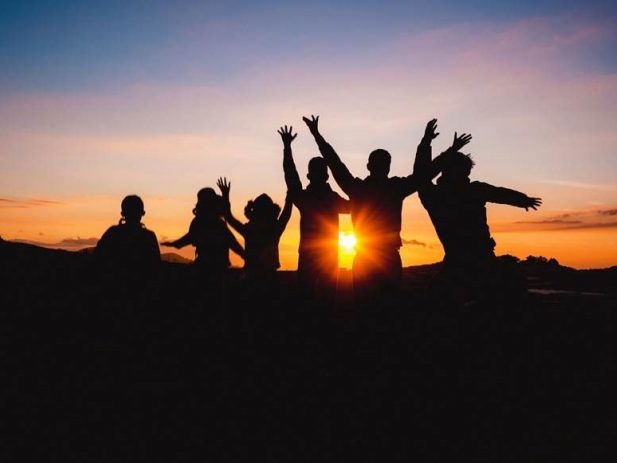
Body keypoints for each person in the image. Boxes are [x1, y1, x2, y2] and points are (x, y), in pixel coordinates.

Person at [302, 115, 470, 304]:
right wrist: (438, 146)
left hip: (366, 259)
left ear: (368, 166)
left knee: (367, 310)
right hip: (386, 259)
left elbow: (335, 163)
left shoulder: (357, 189)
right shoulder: (394, 188)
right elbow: (424, 175)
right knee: (388, 310)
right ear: (388, 167)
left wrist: (317, 135)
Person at [414, 130, 542, 304]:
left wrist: (432, 144)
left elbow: (421, 177)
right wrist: (522, 200)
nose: (466, 174)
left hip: (465, 262)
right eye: (464, 171)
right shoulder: (464, 191)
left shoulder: (435, 196)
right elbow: (499, 193)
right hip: (476, 263)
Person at [278, 124, 350, 306]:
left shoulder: (308, 198)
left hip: (314, 256)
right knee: (322, 302)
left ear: (309, 176)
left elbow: (291, 177)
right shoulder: (331, 199)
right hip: (326, 256)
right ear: (327, 177)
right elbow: (291, 177)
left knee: (307, 301)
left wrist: (287, 147)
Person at [217, 177, 293, 288]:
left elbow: (228, 217)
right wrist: (290, 195)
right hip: (268, 279)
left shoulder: (250, 229)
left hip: (251, 277)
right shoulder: (275, 229)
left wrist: (225, 196)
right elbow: (286, 212)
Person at [161, 186, 245, 274]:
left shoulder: (199, 223)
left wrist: (173, 244)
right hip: (219, 269)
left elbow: (185, 240)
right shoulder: (219, 224)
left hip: (204, 268)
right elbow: (233, 244)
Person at [95, 194, 161, 272]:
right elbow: (156, 266)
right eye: (132, 212)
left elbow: (98, 258)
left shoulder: (112, 233)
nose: (134, 215)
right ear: (142, 213)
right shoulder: (149, 236)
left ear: (123, 213)